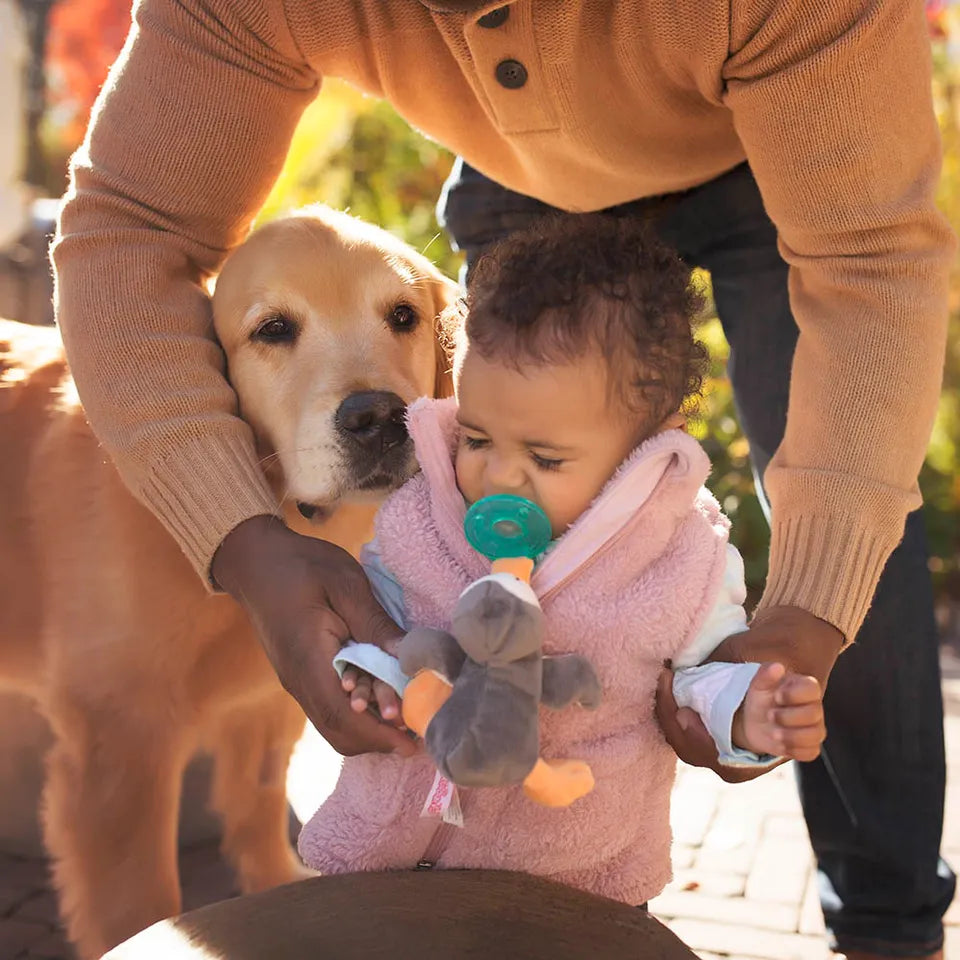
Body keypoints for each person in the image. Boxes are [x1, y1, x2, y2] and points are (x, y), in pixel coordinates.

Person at [51, 1, 954, 956]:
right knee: (472, 528)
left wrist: (811, 609)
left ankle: (889, 926)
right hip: (520, 176)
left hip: (765, 171)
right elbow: (131, 229)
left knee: (854, 548)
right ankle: (494, 901)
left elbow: (872, 261)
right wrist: (243, 537)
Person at [298, 214, 827, 898]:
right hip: (396, 852)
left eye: (545, 458)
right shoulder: (422, 521)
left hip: (572, 871)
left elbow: (701, 673)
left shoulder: (679, 557)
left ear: (640, 449)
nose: (499, 478)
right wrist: (371, 674)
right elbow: (386, 623)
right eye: (478, 438)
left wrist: (746, 711)